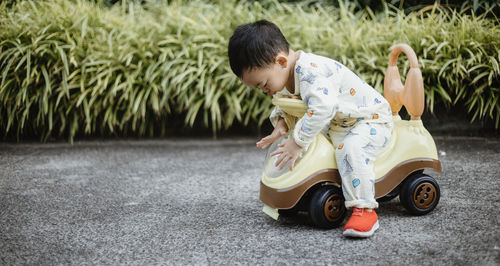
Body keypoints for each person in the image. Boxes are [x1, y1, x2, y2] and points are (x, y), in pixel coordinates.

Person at [227, 20, 393, 238]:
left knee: (350, 149)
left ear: (281, 61)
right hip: (339, 122)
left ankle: (364, 209)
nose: (265, 91)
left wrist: (297, 142)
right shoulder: (287, 74)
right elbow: (289, 104)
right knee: (313, 146)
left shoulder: (311, 73)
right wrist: (280, 127)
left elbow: (323, 107)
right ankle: (301, 193)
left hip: (369, 119)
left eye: (264, 84)